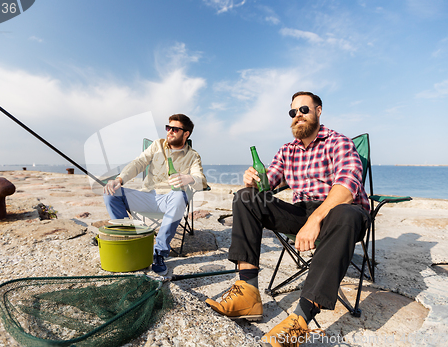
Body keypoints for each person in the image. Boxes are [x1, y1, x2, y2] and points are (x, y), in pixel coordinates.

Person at [205, 92, 370, 346]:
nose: (298, 116)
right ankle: (248, 292)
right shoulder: (288, 150)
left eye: (303, 109)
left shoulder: (339, 143)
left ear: (319, 110)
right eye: (293, 112)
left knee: (344, 213)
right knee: (245, 198)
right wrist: (253, 180)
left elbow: (346, 189)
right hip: (303, 211)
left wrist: (315, 220)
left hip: (342, 213)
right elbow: (268, 183)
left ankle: (300, 319)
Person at [103, 114, 207, 276]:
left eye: (175, 129)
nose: (170, 132)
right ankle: (127, 240)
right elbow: (138, 163)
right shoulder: (158, 145)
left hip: (171, 199)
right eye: (168, 128)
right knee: (111, 192)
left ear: (186, 133)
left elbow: (201, 180)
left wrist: (189, 178)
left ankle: (159, 253)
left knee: (180, 196)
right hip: (147, 196)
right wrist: (119, 179)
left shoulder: (193, 156)